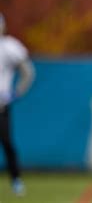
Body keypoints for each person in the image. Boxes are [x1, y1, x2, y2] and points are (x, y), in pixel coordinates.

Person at [0, 12, 35, 196]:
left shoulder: (9, 47)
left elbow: (28, 72)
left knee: (7, 143)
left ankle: (16, 180)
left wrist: (16, 93)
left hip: (2, 105)